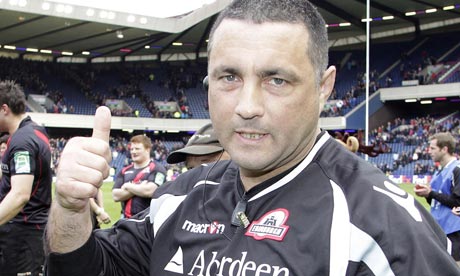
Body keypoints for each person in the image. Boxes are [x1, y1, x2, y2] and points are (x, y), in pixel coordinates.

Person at [45, 1, 460, 275]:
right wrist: (68, 208)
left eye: (276, 80)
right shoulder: (180, 196)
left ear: (324, 86)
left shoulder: (381, 226)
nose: (247, 105)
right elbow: (87, 267)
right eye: (229, 77)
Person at [0, 80, 52, 276]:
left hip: (24, 235)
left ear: (4, 109)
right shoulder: (35, 131)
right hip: (27, 233)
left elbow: (20, 194)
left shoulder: (22, 141)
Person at [414, 132, 460, 262]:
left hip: (454, 230)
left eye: (433, 148)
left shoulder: (457, 169)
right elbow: (438, 204)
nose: (429, 151)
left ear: (444, 149)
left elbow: (457, 202)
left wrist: (431, 193)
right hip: (440, 228)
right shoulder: (439, 171)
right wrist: (427, 195)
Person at [112, 134, 167, 218]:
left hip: (147, 220)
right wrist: (140, 187)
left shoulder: (157, 169)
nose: (133, 152)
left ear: (147, 150)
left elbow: (150, 191)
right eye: (132, 149)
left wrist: (128, 186)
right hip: (126, 219)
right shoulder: (124, 170)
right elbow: (115, 195)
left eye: (137, 149)